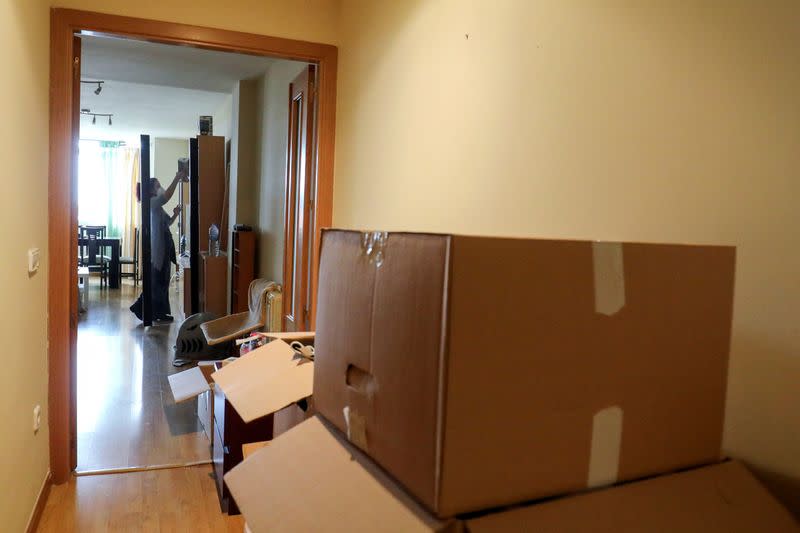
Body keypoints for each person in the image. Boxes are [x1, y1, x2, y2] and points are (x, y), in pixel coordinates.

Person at [130, 170, 187, 322]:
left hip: (163, 248)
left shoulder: (157, 207)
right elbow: (166, 196)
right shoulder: (151, 203)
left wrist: (175, 214)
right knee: (158, 282)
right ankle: (144, 309)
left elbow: (167, 223)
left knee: (162, 282)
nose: (160, 188)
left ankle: (159, 313)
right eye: (158, 186)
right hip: (158, 250)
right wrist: (177, 177)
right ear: (151, 190)